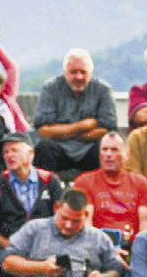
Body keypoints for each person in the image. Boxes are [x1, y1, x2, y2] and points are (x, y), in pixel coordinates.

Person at [0, 131, 65, 277]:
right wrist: (13, 247)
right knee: (0, 261)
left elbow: (61, 218)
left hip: (46, 246)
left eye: (14, 150)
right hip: (10, 245)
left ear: (30, 154)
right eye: (5, 152)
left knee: (63, 262)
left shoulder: (50, 181)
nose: (9, 156)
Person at [33, 49, 117, 179]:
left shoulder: (103, 90)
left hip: (89, 151)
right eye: (73, 72)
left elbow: (108, 129)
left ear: (91, 72)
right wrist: (85, 125)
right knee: (44, 147)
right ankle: (46, 194)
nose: (78, 77)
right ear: (65, 72)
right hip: (58, 151)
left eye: (83, 72)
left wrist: (62, 132)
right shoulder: (50, 88)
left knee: (105, 147)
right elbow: (43, 131)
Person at [73, 132, 147, 243]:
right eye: (104, 149)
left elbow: (146, 229)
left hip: (132, 247)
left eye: (114, 150)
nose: (108, 154)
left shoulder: (141, 183)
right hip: (97, 246)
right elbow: (87, 227)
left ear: (127, 155)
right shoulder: (84, 182)